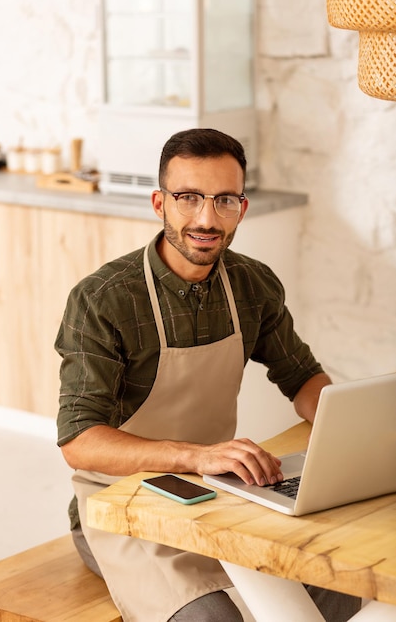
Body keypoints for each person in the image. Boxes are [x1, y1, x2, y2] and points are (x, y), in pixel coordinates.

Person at [55, 128, 361, 622]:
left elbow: (302, 377)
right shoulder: (102, 299)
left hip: (216, 494)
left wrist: (352, 432)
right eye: (188, 198)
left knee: (335, 586)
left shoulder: (253, 284)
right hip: (123, 510)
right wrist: (197, 456)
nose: (206, 218)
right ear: (160, 202)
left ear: (241, 206)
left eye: (224, 200)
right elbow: (79, 440)